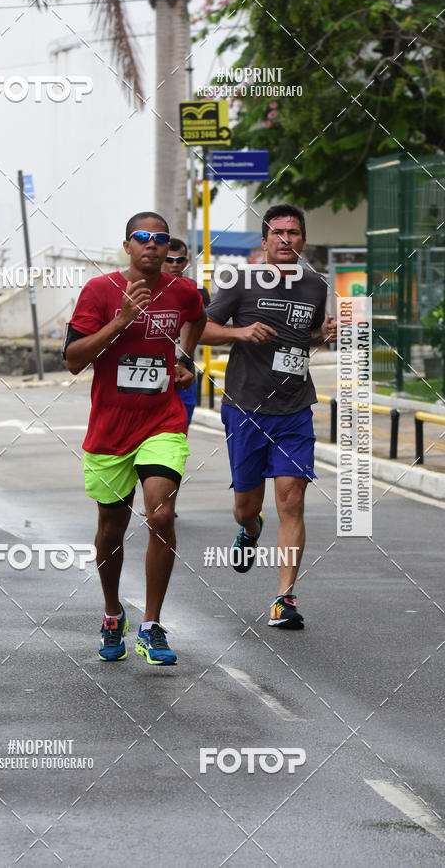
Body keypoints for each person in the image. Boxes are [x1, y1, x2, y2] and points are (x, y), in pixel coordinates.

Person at [64, 212, 206, 664]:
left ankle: (151, 624)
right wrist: (121, 320)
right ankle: (112, 613)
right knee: (111, 530)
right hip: (110, 429)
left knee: (161, 514)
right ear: (127, 245)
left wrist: (184, 359)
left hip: (161, 420)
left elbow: (197, 317)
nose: (152, 245)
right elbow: (72, 359)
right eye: (142, 238)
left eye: (160, 239)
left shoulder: (182, 291)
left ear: (168, 250)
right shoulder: (99, 291)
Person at [201, 204, 337, 629]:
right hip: (246, 408)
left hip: (295, 407)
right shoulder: (240, 282)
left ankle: (285, 598)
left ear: (303, 240)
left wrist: (324, 334)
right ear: (263, 242)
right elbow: (199, 328)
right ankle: (250, 528)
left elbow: (306, 334)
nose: (285, 240)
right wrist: (238, 332)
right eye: (277, 233)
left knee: (292, 500)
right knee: (247, 505)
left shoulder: (315, 285)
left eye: (293, 233)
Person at [162, 237, 210, 426]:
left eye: (180, 260)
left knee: (178, 434)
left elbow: (207, 328)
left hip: (184, 373)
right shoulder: (145, 287)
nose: (175, 265)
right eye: (169, 260)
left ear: (187, 260)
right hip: (151, 372)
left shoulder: (197, 291)